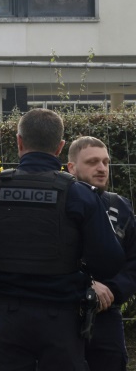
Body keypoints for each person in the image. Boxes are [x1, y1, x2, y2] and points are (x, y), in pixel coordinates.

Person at [0, 108, 125, 370]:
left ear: (19, 141)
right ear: (60, 147)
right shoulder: (82, 196)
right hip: (62, 323)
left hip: (7, 321)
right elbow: (109, 263)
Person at [67, 136, 136, 371]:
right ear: (71, 168)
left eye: (105, 162)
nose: (101, 168)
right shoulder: (59, 204)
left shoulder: (121, 206)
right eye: (93, 162)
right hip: (62, 312)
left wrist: (111, 292)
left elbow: (133, 261)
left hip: (106, 313)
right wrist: (85, 286)